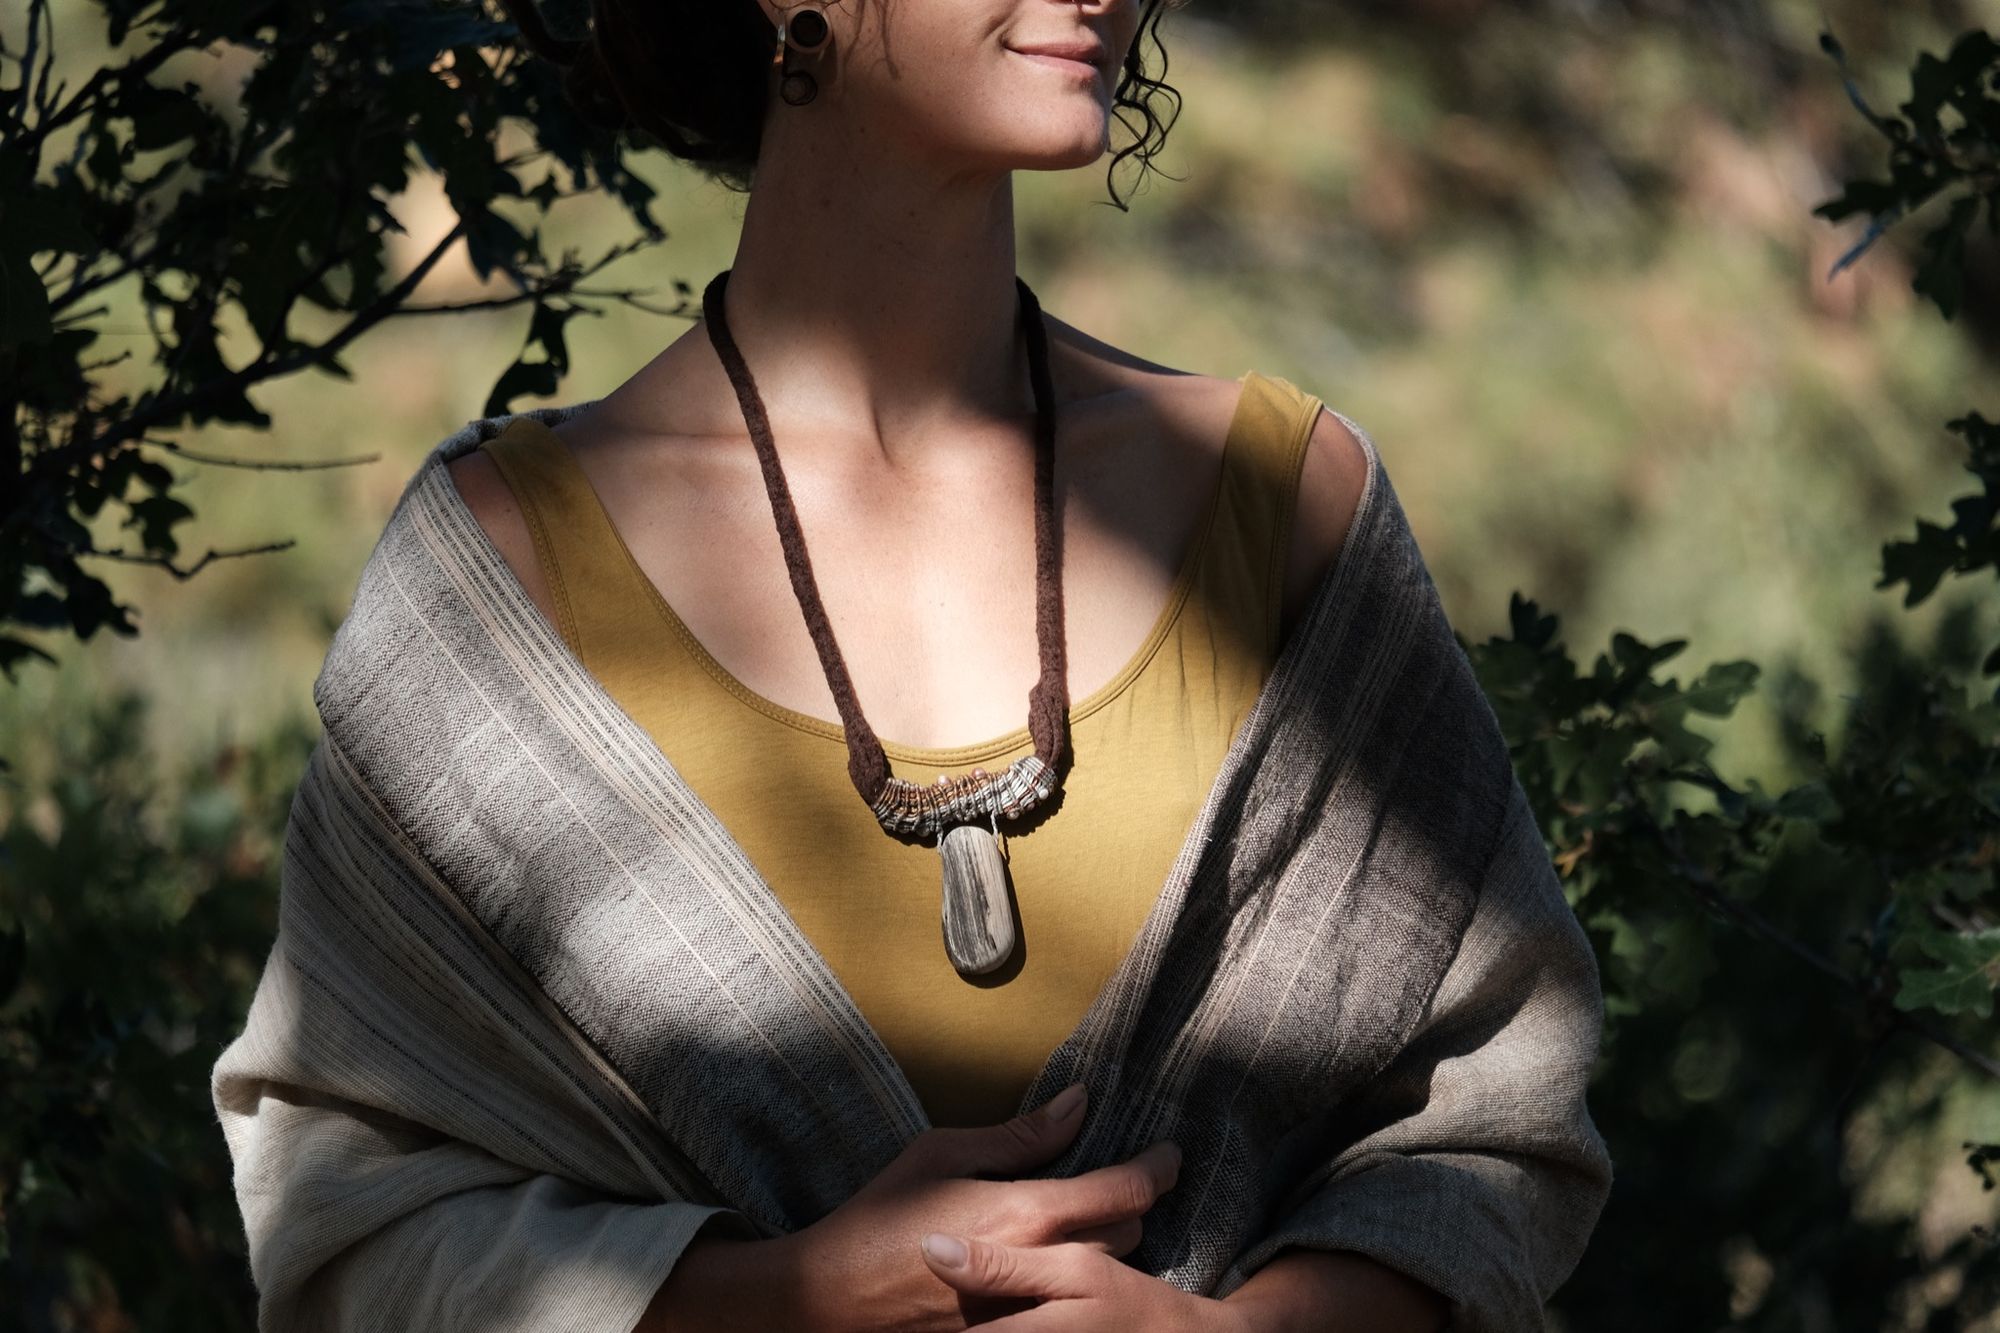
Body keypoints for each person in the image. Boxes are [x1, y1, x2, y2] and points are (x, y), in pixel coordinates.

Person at [212, 3, 1614, 1330]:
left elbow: (1493, 1117)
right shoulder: (503, 580)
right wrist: (775, 1302)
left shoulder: (1287, 507)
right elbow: (349, 1217)